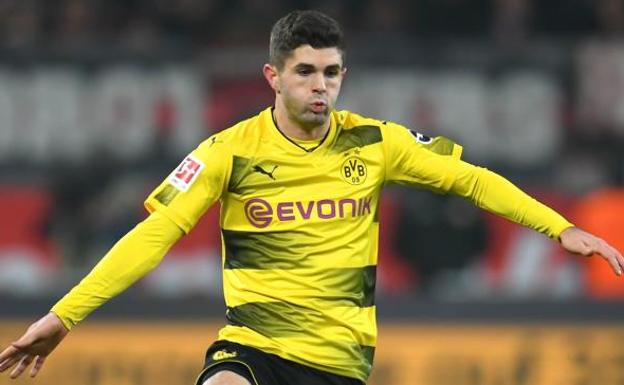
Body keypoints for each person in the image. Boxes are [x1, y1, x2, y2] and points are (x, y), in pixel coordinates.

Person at [1, 10, 623, 385]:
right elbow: (152, 237)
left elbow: (471, 179)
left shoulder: (375, 144)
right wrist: (63, 317)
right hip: (253, 346)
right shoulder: (228, 151)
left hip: (340, 363)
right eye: (305, 72)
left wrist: (558, 227)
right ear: (273, 76)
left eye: (330, 72)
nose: (320, 86)